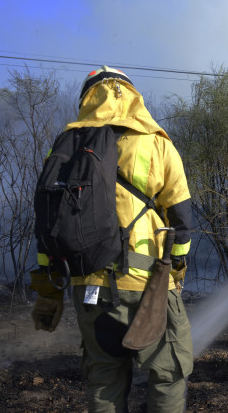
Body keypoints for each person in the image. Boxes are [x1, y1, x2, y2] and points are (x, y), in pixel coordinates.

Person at [29, 66, 194, 411]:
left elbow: (47, 222)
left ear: (87, 99)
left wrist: (49, 285)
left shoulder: (65, 147)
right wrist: (175, 273)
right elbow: (180, 220)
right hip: (146, 284)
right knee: (168, 373)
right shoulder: (157, 144)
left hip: (88, 288)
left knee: (104, 379)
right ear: (133, 97)